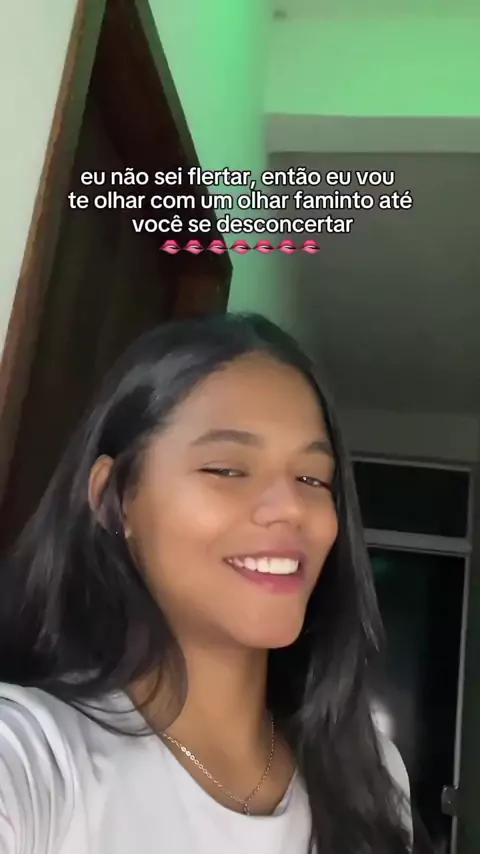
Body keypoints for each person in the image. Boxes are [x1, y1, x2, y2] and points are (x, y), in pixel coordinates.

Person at [0, 313, 413, 854]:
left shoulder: (372, 776)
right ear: (112, 498)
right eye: (227, 469)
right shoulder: (35, 759)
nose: (292, 507)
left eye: (312, 478)